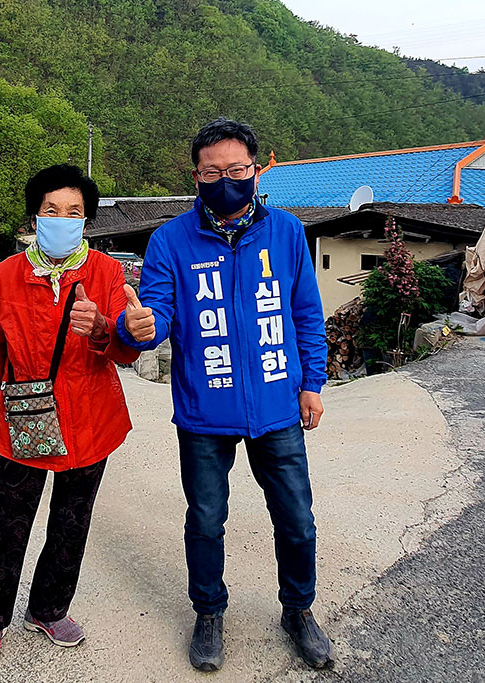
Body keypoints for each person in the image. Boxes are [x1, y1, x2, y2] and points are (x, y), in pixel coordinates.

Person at [116, 118, 332, 670]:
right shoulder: (170, 240)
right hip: (204, 411)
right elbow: (156, 315)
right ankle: (208, 613)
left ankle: (299, 610)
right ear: (196, 177)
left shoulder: (285, 233)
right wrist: (135, 328)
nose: (226, 180)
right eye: (213, 172)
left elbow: (306, 313)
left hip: (278, 404)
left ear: (255, 171)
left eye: (237, 170)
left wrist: (312, 382)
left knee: (298, 520)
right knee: (206, 521)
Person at [0, 164, 139, 670]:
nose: (62, 219)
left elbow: (125, 353)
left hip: (90, 421)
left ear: (86, 221)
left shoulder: (106, 273)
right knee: (3, 525)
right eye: (51, 210)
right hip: (19, 420)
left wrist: (105, 328)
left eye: (73, 212)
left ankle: (48, 609)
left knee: (71, 523)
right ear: (35, 216)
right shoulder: (7, 274)